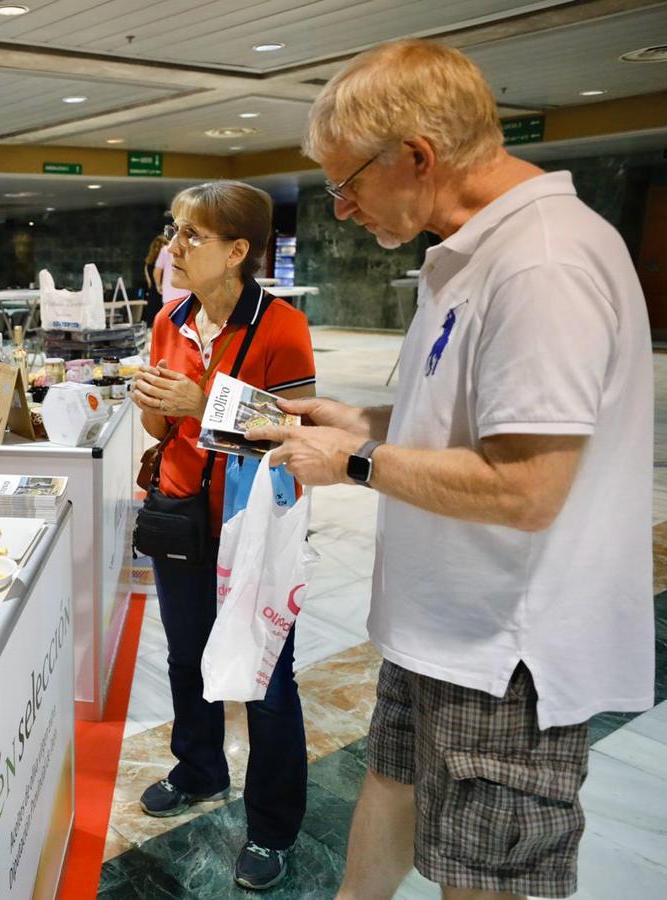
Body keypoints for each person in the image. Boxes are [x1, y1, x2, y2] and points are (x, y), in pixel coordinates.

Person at [248, 40, 653, 900]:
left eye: (345, 184)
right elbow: (472, 424)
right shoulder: (473, 250)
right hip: (441, 626)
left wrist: (353, 460)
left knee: (486, 874)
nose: (343, 209)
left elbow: (525, 488)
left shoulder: (541, 262)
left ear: (417, 157)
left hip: (507, 648)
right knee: (390, 787)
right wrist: (360, 421)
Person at [131, 181, 316, 890]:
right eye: (174, 231)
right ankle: (200, 768)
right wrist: (155, 406)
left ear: (238, 251)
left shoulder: (279, 328)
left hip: (256, 529)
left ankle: (272, 828)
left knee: (265, 681)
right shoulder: (169, 319)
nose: (174, 248)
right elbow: (159, 427)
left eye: (192, 236)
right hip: (181, 512)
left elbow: (298, 433)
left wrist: (197, 400)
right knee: (185, 657)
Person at [142, 232, 168, 326]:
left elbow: (149, 282)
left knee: (153, 325)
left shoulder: (148, 263)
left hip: (152, 297)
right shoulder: (165, 263)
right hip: (163, 295)